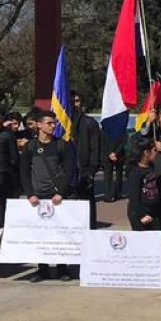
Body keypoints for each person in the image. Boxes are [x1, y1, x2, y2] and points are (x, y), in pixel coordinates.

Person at [21, 110, 76, 283]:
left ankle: (62, 267)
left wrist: (61, 192)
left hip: (57, 197)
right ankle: (42, 269)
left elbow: (70, 170)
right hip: (37, 196)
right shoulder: (30, 146)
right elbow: (24, 172)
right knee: (40, 234)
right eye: (49, 123)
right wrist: (30, 194)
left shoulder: (62, 145)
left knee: (60, 233)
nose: (53, 126)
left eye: (54, 123)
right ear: (39, 125)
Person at [69, 91, 102, 229]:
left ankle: (90, 226)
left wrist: (92, 170)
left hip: (85, 168)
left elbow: (95, 148)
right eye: (71, 101)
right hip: (66, 169)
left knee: (87, 199)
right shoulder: (60, 123)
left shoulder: (89, 123)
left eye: (76, 101)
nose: (74, 104)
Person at [125, 138, 161, 231]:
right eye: (154, 150)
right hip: (141, 214)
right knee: (142, 243)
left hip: (154, 212)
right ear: (146, 152)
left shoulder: (151, 167)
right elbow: (134, 198)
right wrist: (142, 215)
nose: (156, 153)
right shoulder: (135, 172)